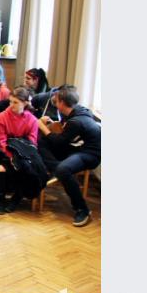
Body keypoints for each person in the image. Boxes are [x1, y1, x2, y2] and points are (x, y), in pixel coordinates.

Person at [37, 85, 101, 227]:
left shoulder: (76, 121)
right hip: (77, 147)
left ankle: (82, 210)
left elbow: (59, 142)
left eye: (57, 100)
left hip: (90, 154)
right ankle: (56, 169)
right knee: (42, 142)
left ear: (62, 103)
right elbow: (66, 132)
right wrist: (53, 124)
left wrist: (42, 127)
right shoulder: (78, 111)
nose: (55, 102)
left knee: (63, 170)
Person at [0, 87, 40, 214]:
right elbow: (1, 140)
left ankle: (16, 198)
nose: (11, 105)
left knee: (24, 167)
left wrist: (18, 157)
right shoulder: (3, 116)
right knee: (1, 168)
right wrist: (11, 156)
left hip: (23, 153)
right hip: (6, 152)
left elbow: (32, 142)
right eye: (10, 101)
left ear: (24, 103)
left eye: (15, 102)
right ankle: (0, 200)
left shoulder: (32, 120)